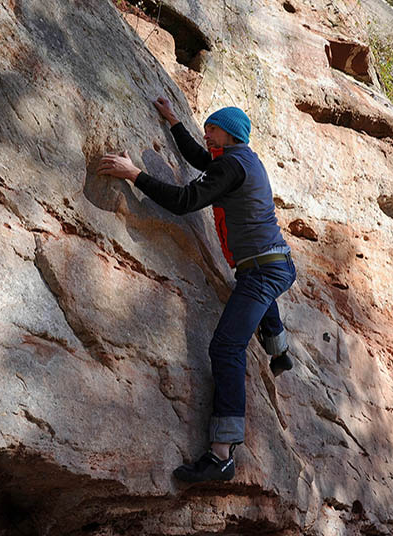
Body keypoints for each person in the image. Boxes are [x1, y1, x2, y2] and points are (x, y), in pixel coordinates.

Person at [97, 97, 296, 482]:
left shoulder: (231, 165)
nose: (206, 134)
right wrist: (173, 123)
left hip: (263, 272)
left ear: (230, 134)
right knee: (253, 292)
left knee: (225, 346)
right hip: (273, 263)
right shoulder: (241, 161)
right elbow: (201, 161)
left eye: (213, 129)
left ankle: (221, 455)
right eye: (205, 129)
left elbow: (185, 201)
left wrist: (133, 174)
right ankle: (279, 349)